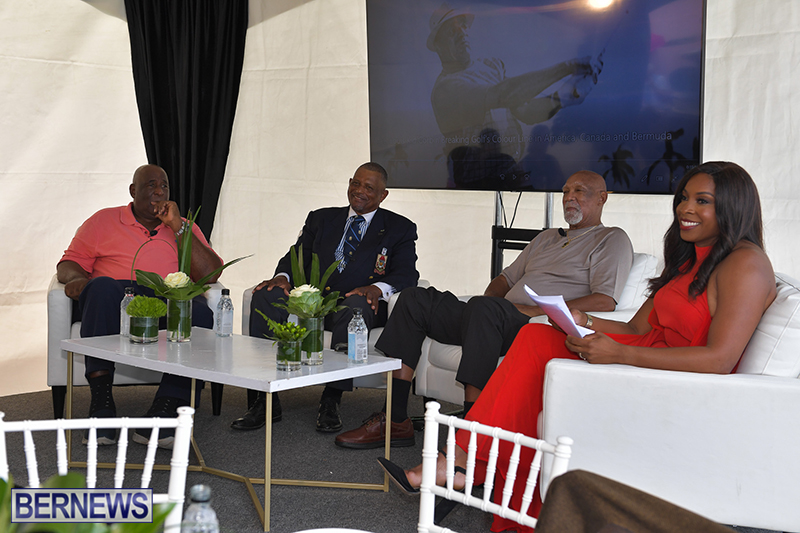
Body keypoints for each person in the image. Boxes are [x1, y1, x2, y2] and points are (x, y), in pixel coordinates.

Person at [378, 161, 777, 532]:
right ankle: (464, 463)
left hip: (671, 382)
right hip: (646, 357)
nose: (685, 208)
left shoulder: (746, 264)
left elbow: (720, 359)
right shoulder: (692, 258)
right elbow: (639, 325)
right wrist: (580, 321)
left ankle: (464, 462)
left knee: (534, 345)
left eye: (702, 201)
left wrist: (618, 353)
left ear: (733, 206)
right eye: (684, 198)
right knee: (536, 335)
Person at [335, 170, 633, 449]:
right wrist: (491, 299)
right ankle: (396, 418)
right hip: (493, 316)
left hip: (539, 324)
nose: (569, 197)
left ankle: (473, 429)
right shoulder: (546, 238)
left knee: (484, 310)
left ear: (602, 197)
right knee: (415, 299)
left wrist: (535, 312)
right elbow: (505, 279)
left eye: (579, 191)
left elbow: (604, 301)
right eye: (566, 191)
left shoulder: (610, 239)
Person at [231, 162, 419, 432]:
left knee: (354, 307)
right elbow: (296, 256)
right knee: (266, 296)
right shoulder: (321, 219)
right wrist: (282, 278)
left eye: (369, 187)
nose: (360, 191)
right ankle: (263, 400)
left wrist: (378, 288)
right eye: (356, 183)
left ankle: (332, 398)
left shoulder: (399, 228)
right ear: (349, 183)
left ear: (383, 195)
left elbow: (407, 275)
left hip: (356, 304)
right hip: (313, 302)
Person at [56, 164, 223, 448]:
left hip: (168, 297)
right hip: (117, 299)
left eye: (165, 186)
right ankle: (101, 406)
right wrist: (76, 279)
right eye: (151, 185)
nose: (159, 191)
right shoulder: (102, 221)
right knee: (101, 286)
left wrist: (178, 227)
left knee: (199, 310)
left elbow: (210, 274)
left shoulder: (183, 225)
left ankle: (166, 408)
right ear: (133, 191)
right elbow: (69, 263)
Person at [427, 2, 602, 189]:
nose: (462, 32)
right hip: (476, 183)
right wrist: (567, 67)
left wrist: (565, 97)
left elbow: (526, 111)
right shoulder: (446, 88)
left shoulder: (490, 66)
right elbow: (504, 94)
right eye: (451, 31)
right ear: (438, 45)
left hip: (511, 171)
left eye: (463, 24)